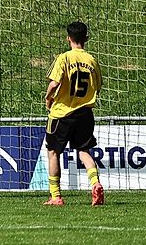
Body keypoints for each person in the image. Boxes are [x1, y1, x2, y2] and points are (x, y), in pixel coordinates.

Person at [44, 21, 104, 206]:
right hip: (85, 113)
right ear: (86, 38)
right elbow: (98, 87)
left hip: (61, 114)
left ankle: (56, 196)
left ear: (68, 38)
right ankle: (96, 184)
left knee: (53, 152)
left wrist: (48, 98)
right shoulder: (92, 61)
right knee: (84, 151)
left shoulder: (64, 58)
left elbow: (54, 83)